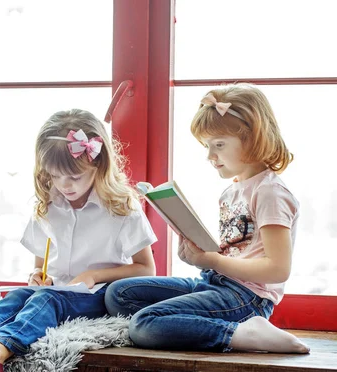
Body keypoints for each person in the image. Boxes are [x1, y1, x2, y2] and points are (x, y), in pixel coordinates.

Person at [0, 109, 157, 372]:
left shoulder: (122, 207)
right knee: (22, 294)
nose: (64, 185)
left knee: (46, 301)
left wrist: (94, 275)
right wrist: (38, 277)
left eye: (74, 177)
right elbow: (41, 267)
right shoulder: (49, 206)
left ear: (98, 165)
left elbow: (146, 269)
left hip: (99, 295)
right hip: (60, 291)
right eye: (55, 176)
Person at [105, 83, 310, 354]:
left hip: (248, 299)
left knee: (143, 324)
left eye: (219, 145)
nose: (210, 156)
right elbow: (237, 252)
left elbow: (277, 269)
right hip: (214, 283)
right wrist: (199, 255)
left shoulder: (269, 192)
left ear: (252, 137)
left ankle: (239, 333)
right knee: (118, 294)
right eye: (207, 146)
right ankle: (189, 324)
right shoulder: (232, 191)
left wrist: (211, 260)